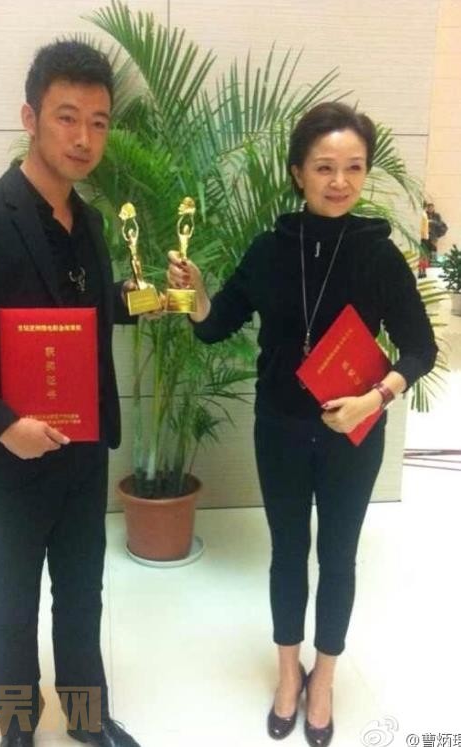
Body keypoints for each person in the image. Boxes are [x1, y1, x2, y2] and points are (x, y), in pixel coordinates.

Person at [167, 102, 437, 746]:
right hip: (280, 429)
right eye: (324, 167)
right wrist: (197, 292)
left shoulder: (379, 255)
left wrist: (374, 399)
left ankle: (325, 679)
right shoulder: (269, 250)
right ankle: (289, 672)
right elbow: (214, 326)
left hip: (353, 435)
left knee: (338, 555)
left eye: (354, 167)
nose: (339, 181)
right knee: (287, 551)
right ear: (297, 172)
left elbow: (420, 349)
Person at [0, 40, 143, 747]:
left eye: (99, 122)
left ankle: (86, 716)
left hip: (84, 444)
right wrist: (3, 425)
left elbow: (92, 308)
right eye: (67, 117)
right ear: (30, 117)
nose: (84, 138)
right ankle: (15, 722)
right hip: (13, 452)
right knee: (12, 600)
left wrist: (149, 296)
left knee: (82, 592)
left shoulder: (91, 220)